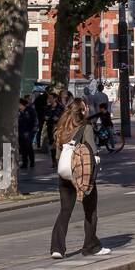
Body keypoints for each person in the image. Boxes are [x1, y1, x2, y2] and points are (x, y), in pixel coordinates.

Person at [50, 97, 109, 258]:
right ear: (82, 111)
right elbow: (92, 151)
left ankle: (57, 248)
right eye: (86, 107)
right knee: (90, 211)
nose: (88, 109)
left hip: (64, 174)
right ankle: (91, 246)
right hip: (82, 174)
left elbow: (57, 155)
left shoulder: (61, 128)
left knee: (65, 211)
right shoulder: (86, 127)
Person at [17, 96, 38, 168]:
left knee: (28, 147)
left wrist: (31, 131)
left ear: (22, 104)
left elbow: (34, 121)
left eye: (19, 104)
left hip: (29, 132)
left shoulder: (30, 110)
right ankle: (24, 163)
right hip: (21, 132)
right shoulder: (18, 112)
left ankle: (32, 162)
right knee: (22, 148)